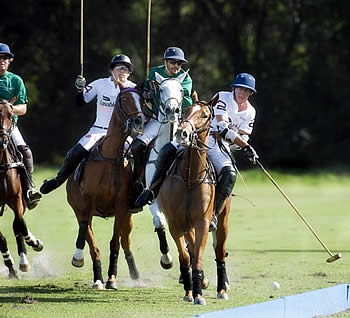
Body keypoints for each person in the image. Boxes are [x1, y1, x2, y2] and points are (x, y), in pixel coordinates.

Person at [135, 73, 259, 232]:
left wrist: (243, 145)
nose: (242, 93)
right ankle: (151, 191)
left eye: (246, 91)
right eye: (240, 89)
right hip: (203, 136)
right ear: (234, 88)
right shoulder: (222, 96)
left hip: (221, 146)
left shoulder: (250, 111)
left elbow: (244, 135)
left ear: (250, 94)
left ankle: (213, 214)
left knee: (230, 174)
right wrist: (243, 144)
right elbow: (221, 126)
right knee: (167, 150)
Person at [40, 54, 136, 195]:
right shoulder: (99, 84)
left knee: (140, 152)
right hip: (98, 131)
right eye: (119, 68)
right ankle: (58, 180)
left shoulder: (133, 88)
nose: (123, 72)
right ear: (111, 70)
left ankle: (138, 187)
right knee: (75, 153)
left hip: (122, 134)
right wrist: (80, 89)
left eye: (126, 69)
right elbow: (80, 102)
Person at [130, 46, 193, 193]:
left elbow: (187, 102)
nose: (176, 66)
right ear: (165, 62)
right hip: (157, 120)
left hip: (177, 122)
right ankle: (138, 180)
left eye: (179, 63)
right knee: (137, 146)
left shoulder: (185, 78)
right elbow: (145, 94)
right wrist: (146, 92)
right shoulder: (153, 73)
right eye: (172, 62)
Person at [0, 43, 42, 210]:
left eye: (5, 58)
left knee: (25, 152)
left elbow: (23, 108)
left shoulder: (16, 80)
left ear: (9, 61)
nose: (2, 61)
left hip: (9, 127)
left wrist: (9, 108)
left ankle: (29, 189)